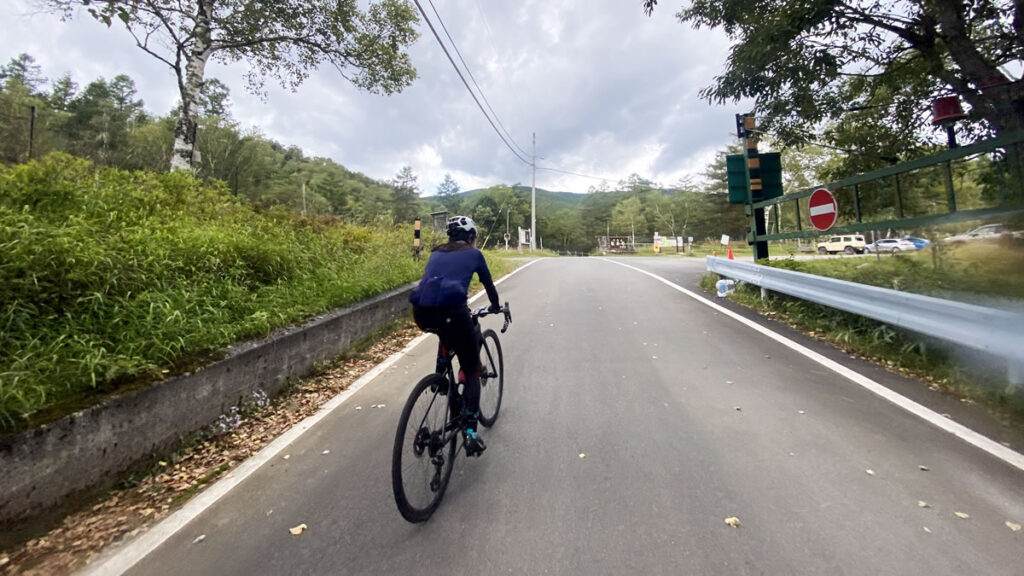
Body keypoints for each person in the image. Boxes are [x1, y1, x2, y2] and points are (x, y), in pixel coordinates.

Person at [409, 215, 501, 457]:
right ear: (471, 237)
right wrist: (496, 306)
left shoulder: (436, 252)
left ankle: (440, 376)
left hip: (422, 313)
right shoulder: (474, 255)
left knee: (445, 329)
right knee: (472, 370)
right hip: (453, 313)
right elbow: (489, 285)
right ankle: (470, 432)